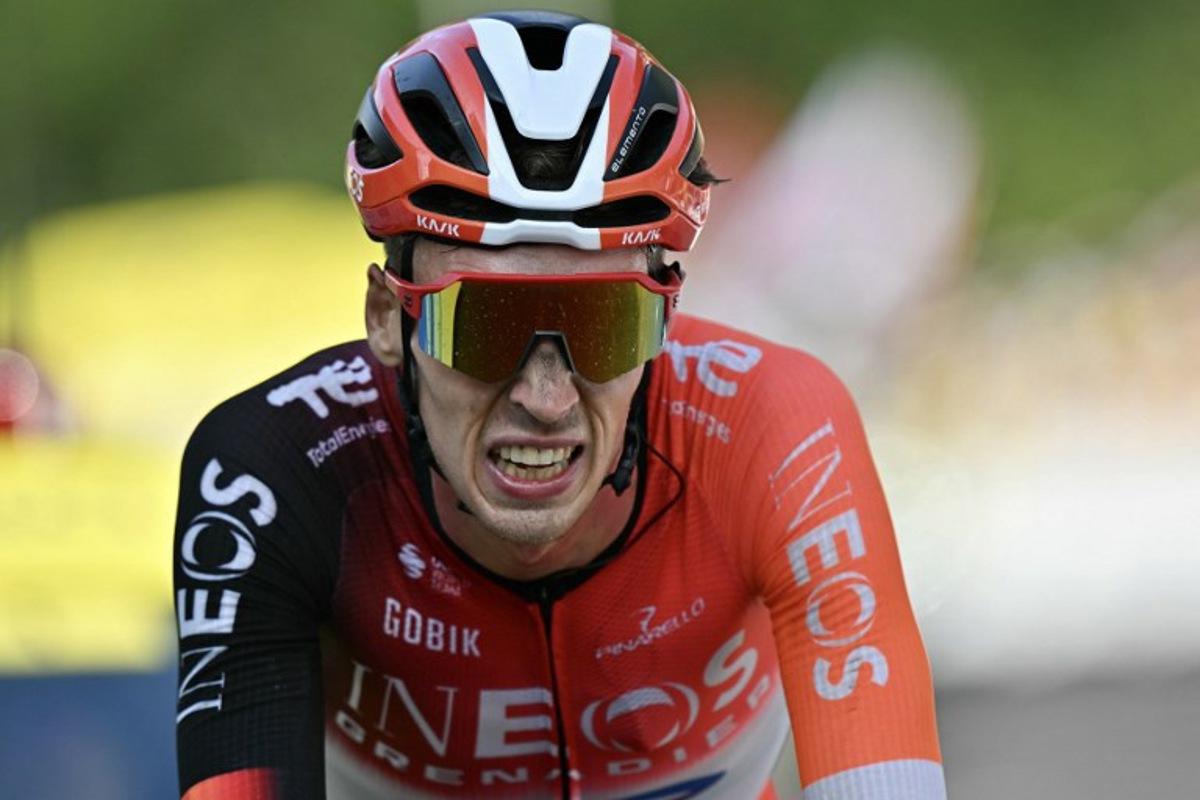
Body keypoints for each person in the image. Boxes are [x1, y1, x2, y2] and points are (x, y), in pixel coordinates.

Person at [173, 10, 945, 799]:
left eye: (603, 325)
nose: (546, 399)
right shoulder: (277, 469)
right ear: (386, 318)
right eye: (486, 326)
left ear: (664, 320)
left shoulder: (777, 430)